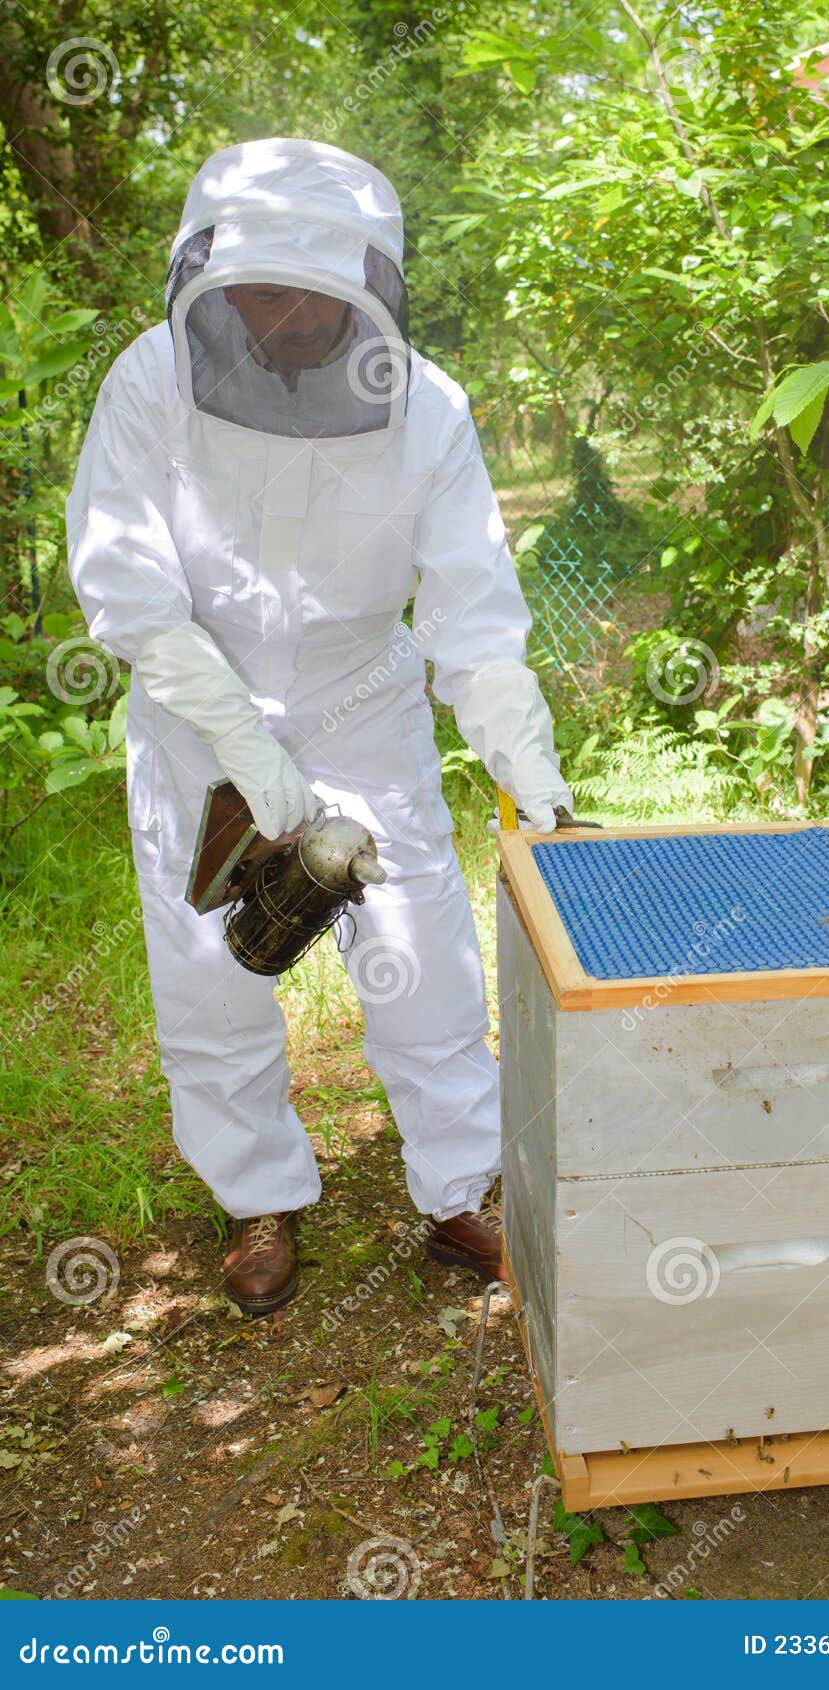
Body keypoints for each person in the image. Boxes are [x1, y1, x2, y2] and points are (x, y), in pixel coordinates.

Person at [66, 137, 573, 1316]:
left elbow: (473, 618)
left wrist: (531, 770)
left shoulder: (426, 410)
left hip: (363, 704)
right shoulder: (151, 384)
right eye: (251, 287)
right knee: (209, 969)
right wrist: (245, 749)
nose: (273, 312)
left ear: (363, 283)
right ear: (209, 275)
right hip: (198, 716)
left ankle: (460, 1191)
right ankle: (256, 1197)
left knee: (422, 955)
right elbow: (132, 594)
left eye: (301, 290)